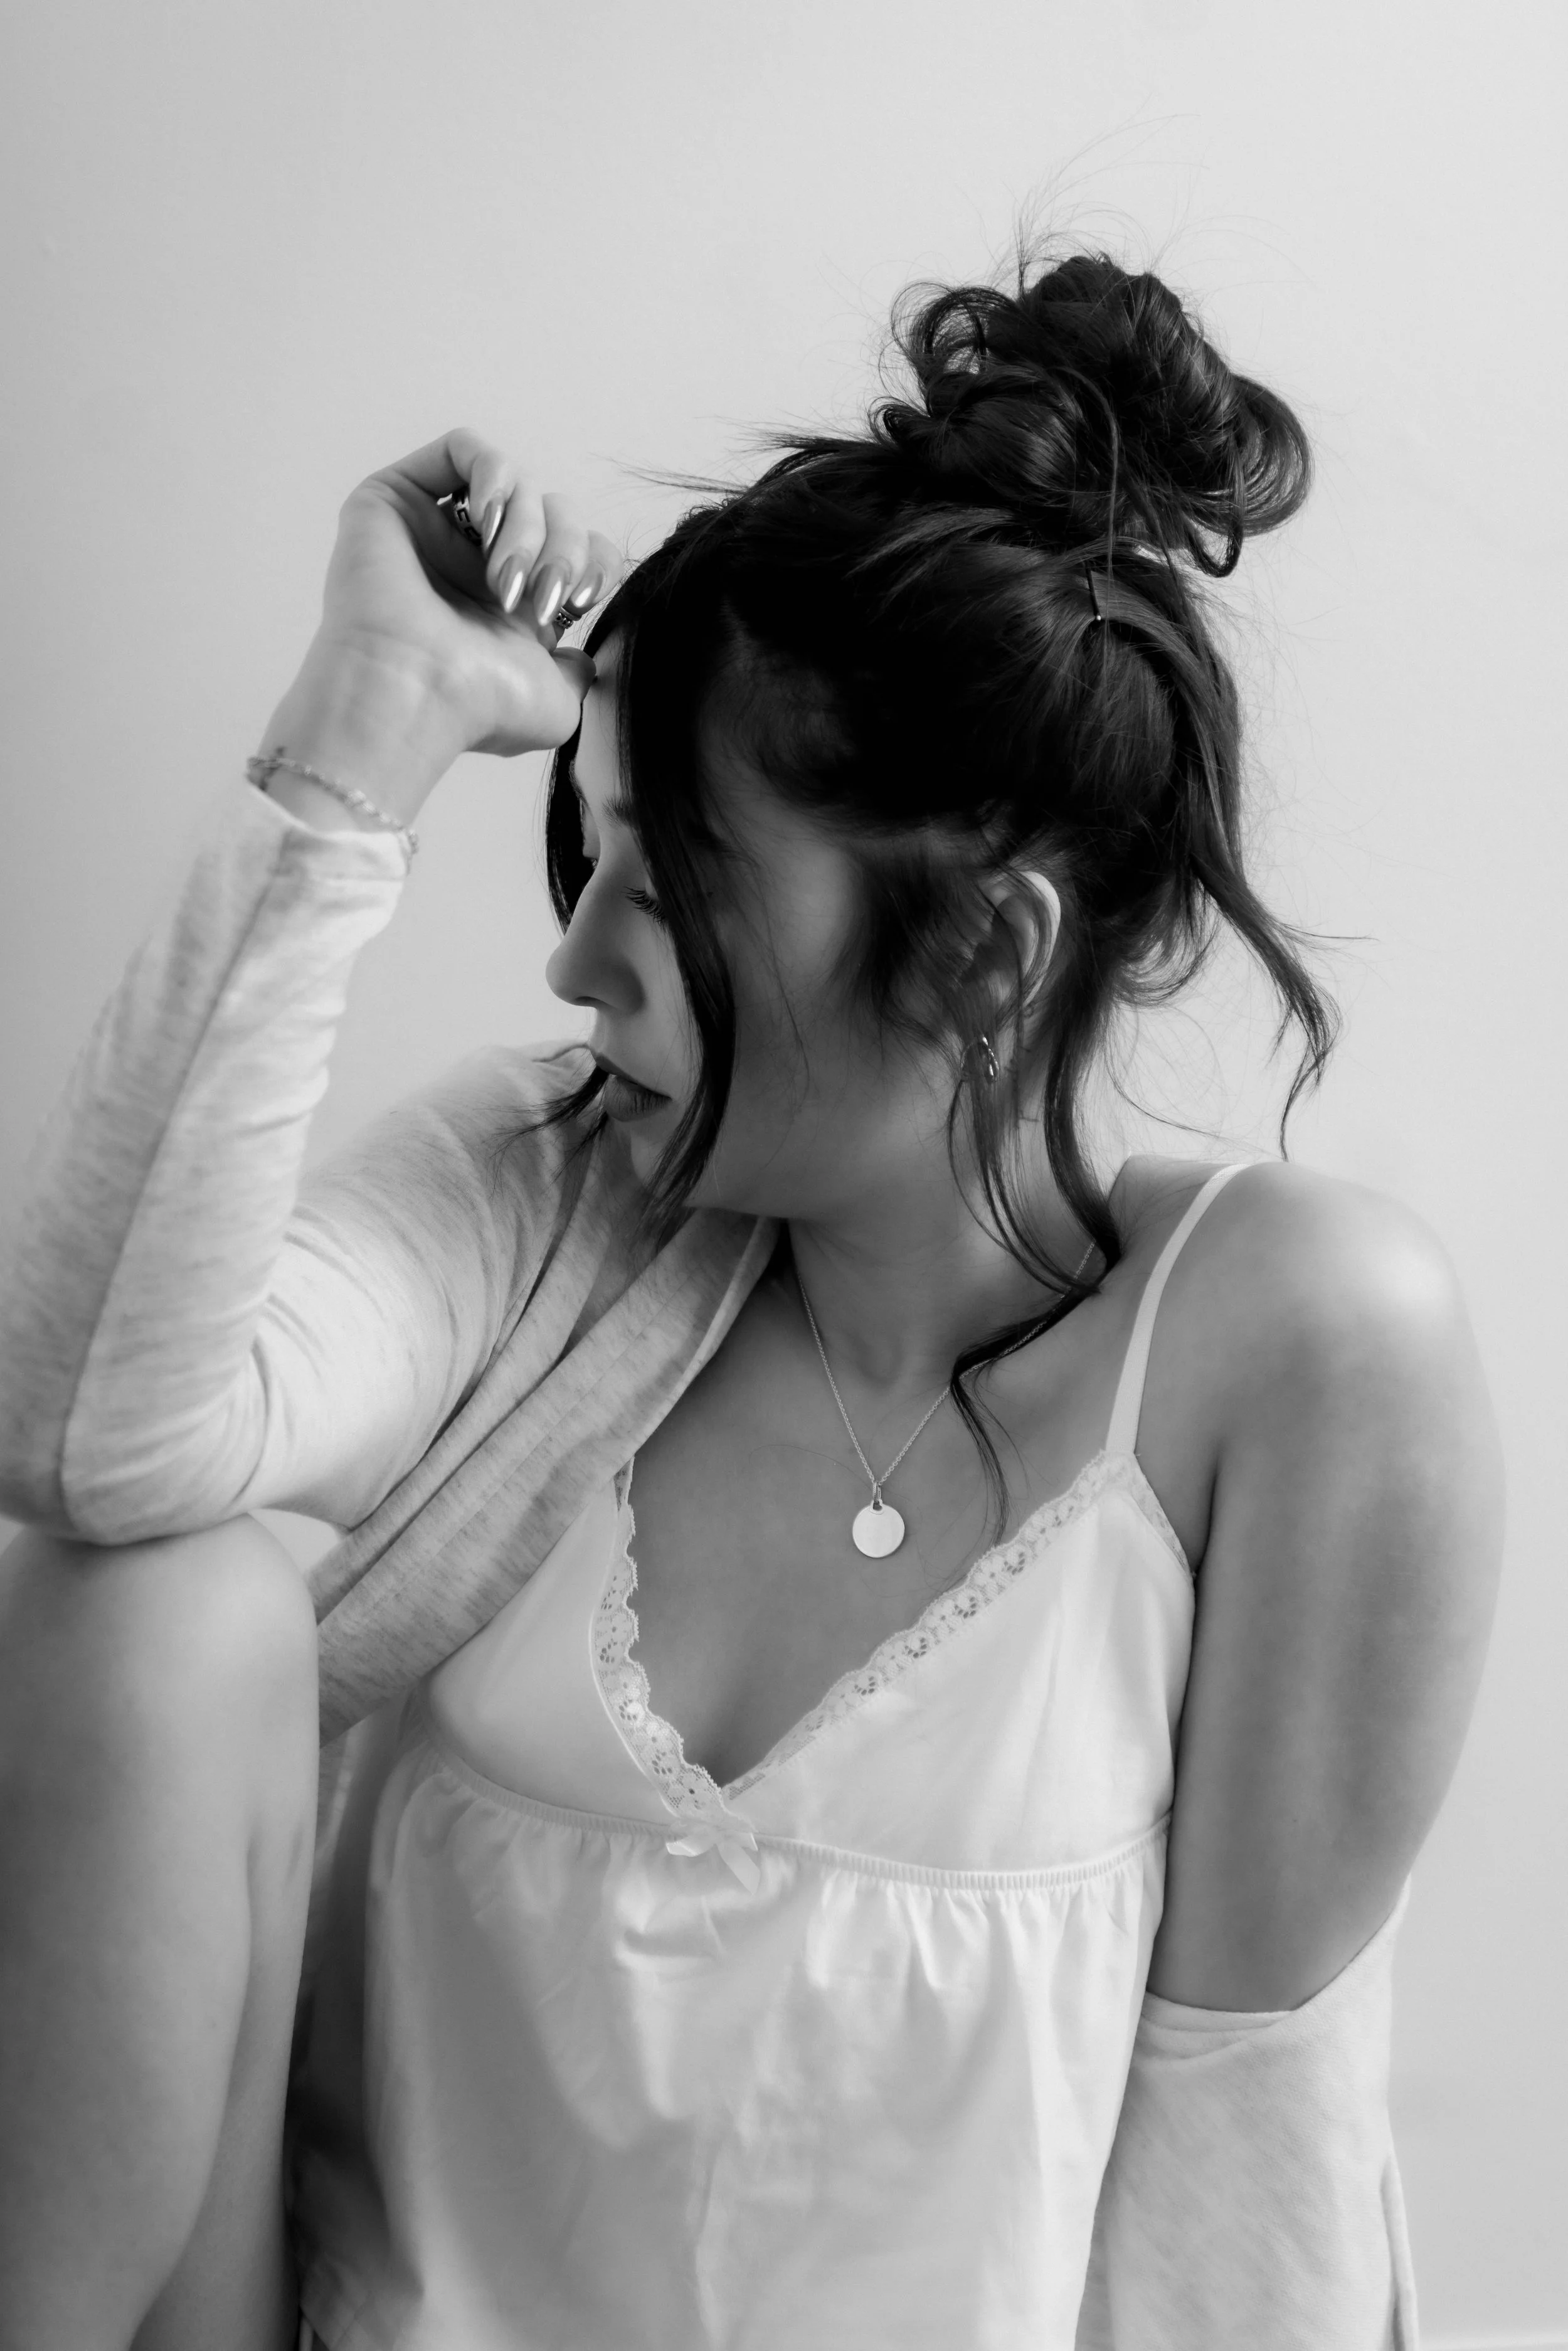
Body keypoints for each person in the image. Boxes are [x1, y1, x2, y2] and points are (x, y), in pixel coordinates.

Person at [0, 243, 1503, 2351]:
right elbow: (83, 1441)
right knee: (141, 1598)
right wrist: (370, 729)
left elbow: (1245, 2185)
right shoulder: (553, 1195)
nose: (577, 957)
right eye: (580, 850)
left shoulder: (1289, 1339)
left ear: (981, 956)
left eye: (671, 879)